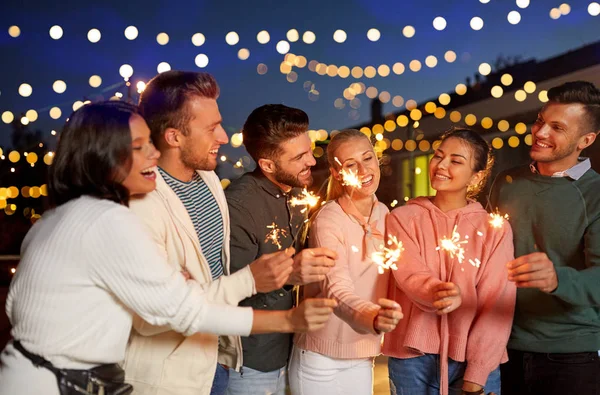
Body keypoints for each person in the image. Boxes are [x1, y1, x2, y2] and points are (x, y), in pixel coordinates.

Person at [0, 101, 336, 395]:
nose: (154, 154)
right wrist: (288, 320)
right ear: (101, 157)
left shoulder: (56, 218)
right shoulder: (107, 221)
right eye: (138, 147)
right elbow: (184, 311)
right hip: (55, 384)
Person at [122, 72, 320, 395]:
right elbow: (156, 315)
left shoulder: (209, 181)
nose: (224, 138)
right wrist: (255, 280)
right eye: (211, 128)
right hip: (167, 378)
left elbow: (215, 275)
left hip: (217, 360)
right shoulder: (140, 205)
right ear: (174, 136)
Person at [384, 127, 516, 395]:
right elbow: (409, 273)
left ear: (476, 176)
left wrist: (476, 376)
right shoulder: (401, 218)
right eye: (438, 156)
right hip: (411, 358)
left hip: (476, 360)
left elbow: (497, 303)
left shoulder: (495, 229)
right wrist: (439, 293)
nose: (441, 165)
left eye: (456, 161)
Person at [489, 81, 600, 395]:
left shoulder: (596, 194)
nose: (539, 132)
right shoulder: (506, 182)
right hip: (502, 348)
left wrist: (556, 279)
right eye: (540, 120)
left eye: (557, 127)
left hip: (570, 356)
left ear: (586, 140)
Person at [225, 104, 337, 395]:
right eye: (299, 157)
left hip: (300, 353)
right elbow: (226, 293)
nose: (312, 161)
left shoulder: (299, 193)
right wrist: (290, 275)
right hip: (254, 364)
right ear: (268, 165)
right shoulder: (238, 207)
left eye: (309, 150)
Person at [288, 129, 403, 395]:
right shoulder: (330, 218)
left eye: (368, 158)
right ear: (337, 172)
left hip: (362, 356)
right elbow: (335, 289)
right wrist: (371, 316)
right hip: (319, 358)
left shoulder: (385, 214)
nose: (364, 170)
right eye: (351, 165)